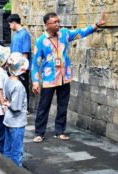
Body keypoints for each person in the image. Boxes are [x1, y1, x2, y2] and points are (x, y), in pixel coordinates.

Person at [31, 12, 105, 142]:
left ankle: (60, 131)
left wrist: (96, 25)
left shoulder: (64, 33)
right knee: (44, 106)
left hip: (65, 76)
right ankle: (39, 132)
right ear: (47, 25)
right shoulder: (40, 41)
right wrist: (35, 81)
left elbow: (80, 33)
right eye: (55, 22)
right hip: (49, 78)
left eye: (58, 21)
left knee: (63, 105)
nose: (58, 24)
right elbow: (36, 63)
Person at [3, 52, 29, 167]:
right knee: (16, 151)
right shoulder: (18, 86)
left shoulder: (8, 80)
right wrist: (9, 104)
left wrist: (7, 103)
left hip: (8, 120)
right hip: (16, 123)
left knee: (7, 149)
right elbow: (16, 107)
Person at [7, 14, 31, 112]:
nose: (9, 26)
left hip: (21, 67)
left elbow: (25, 53)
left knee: (23, 87)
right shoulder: (15, 34)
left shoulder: (24, 34)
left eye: (9, 24)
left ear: (13, 23)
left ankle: (25, 107)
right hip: (14, 66)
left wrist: (23, 67)